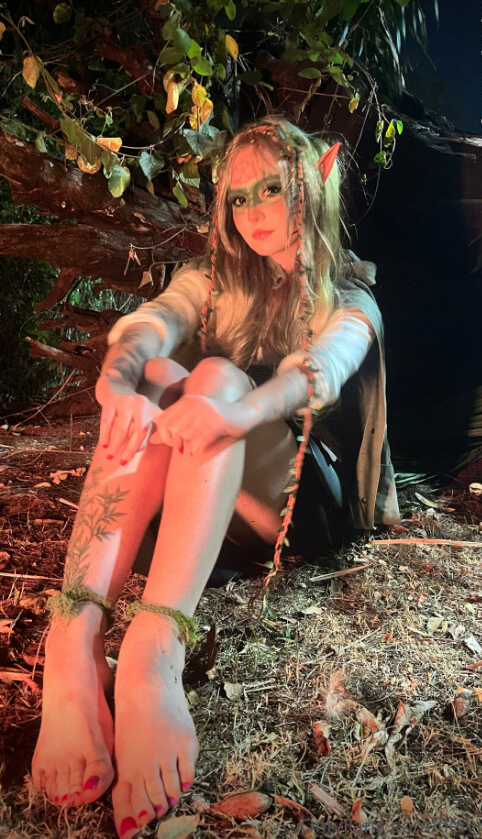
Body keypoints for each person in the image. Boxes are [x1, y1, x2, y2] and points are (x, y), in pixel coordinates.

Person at [31, 116, 399, 839]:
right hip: (208, 494)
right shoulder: (213, 281)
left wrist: (234, 409)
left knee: (215, 376)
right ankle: (73, 639)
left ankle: (153, 650)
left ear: (312, 184)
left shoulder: (350, 294)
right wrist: (117, 380)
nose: (254, 211)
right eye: (238, 197)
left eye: (272, 189)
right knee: (156, 370)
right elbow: (154, 322)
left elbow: (319, 370)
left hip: (296, 502)